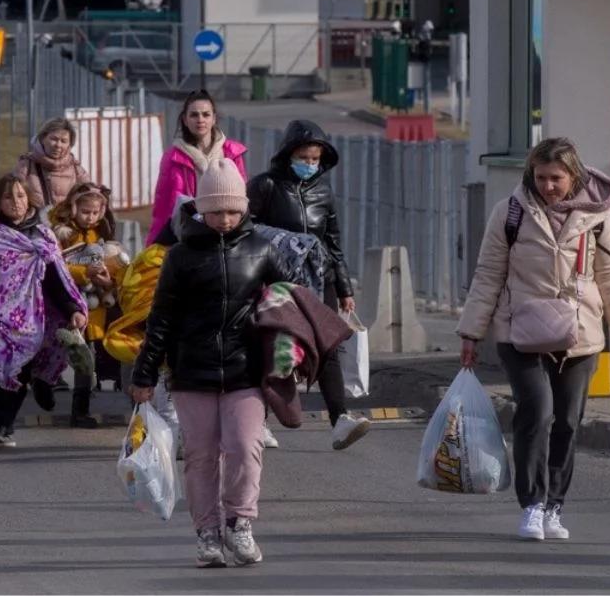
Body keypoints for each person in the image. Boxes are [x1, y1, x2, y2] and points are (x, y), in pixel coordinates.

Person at [456, 137, 610, 542]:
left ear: (573, 175)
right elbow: (488, 273)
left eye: (556, 178)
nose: (548, 186)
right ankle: (532, 506)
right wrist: (471, 332)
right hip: (519, 332)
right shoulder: (509, 213)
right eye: (541, 177)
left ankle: (554, 507)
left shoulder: (596, 218)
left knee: (567, 422)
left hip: (579, 337)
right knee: (537, 413)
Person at [130, 160, 289, 568]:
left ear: (244, 209)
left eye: (233, 211)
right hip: (191, 372)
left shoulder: (263, 249)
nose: (225, 219)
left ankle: (240, 523)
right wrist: (145, 373)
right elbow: (161, 318)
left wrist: (290, 354)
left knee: (244, 446)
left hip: (246, 370)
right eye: (216, 211)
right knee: (200, 455)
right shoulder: (180, 257)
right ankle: (207, 533)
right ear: (201, 208)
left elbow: (288, 303)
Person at [246, 119, 370, 451]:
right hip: (278, 280)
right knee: (274, 348)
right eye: (303, 157)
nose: (309, 164)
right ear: (288, 154)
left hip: (320, 278)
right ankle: (258, 421)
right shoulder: (266, 186)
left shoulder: (324, 193)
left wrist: (344, 288)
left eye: (315, 158)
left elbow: (333, 242)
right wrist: (287, 243)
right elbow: (247, 227)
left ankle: (340, 419)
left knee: (327, 344)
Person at [0, 174, 88, 447]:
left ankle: (3, 424)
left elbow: (55, 279)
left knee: (19, 366)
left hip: (29, 320)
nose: (16, 202)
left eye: (21, 196)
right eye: (9, 196)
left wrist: (72, 309)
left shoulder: (42, 235)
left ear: (30, 199)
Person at [49, 182, 128, 428]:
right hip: (70, 304)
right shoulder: (62, 234)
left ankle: (82, 408)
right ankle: (65, 399)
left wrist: (108, 276)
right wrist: (85, 273)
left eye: (95, 212)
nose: (90, 217)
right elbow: (57, 268)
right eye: (85, 212)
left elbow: (117, 265)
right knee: (70, 356)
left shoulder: (102, 232)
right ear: (73, 208)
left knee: (90, 358)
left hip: (98, 307)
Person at [145, 89, 247, 246]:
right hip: (190, 236)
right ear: (185, 120)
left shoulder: (232, 153)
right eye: (194, 115)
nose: (200, 119)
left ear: (214, 119)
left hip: (228, 233)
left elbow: (241, 200)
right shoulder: (172, 157)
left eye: (206, 114)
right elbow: (163, 208)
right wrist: (153, 245)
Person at [12, 117, 91, 212]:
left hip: (66, 224)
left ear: (69, 145)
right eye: (54, 139)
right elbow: (13, 195)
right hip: (33, 224)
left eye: (64, 141)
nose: (58, 145)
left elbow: (89, 197)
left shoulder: (76, 169)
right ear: (43, 138)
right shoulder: (26, 165)